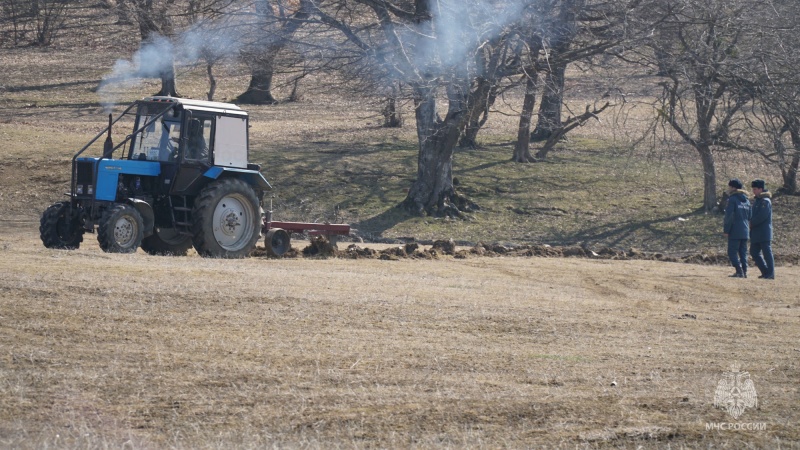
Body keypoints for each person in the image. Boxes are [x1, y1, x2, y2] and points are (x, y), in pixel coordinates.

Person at [723, 178, 751, 278]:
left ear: (733, 188)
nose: (728, 188)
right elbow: (749, 216)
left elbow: (729, 216)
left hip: (735, 230)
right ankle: (744, 271)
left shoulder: (732, 199)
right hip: (745, 230)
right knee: (743, 252)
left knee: (731, 252)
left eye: (729, 186)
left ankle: (739, 271)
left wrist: (726, 230)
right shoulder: (747, 200)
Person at [749, 179, 774, 279]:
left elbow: (762, 216)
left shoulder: (765, 201)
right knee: (754, 252)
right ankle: (765, 272)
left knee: (767, 253)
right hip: (756, 232)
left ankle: (770, 273)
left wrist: (751, 223)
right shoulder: (757, 201)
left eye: (755, 189)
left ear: (761, 189)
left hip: (763, 232)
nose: (753, 191)